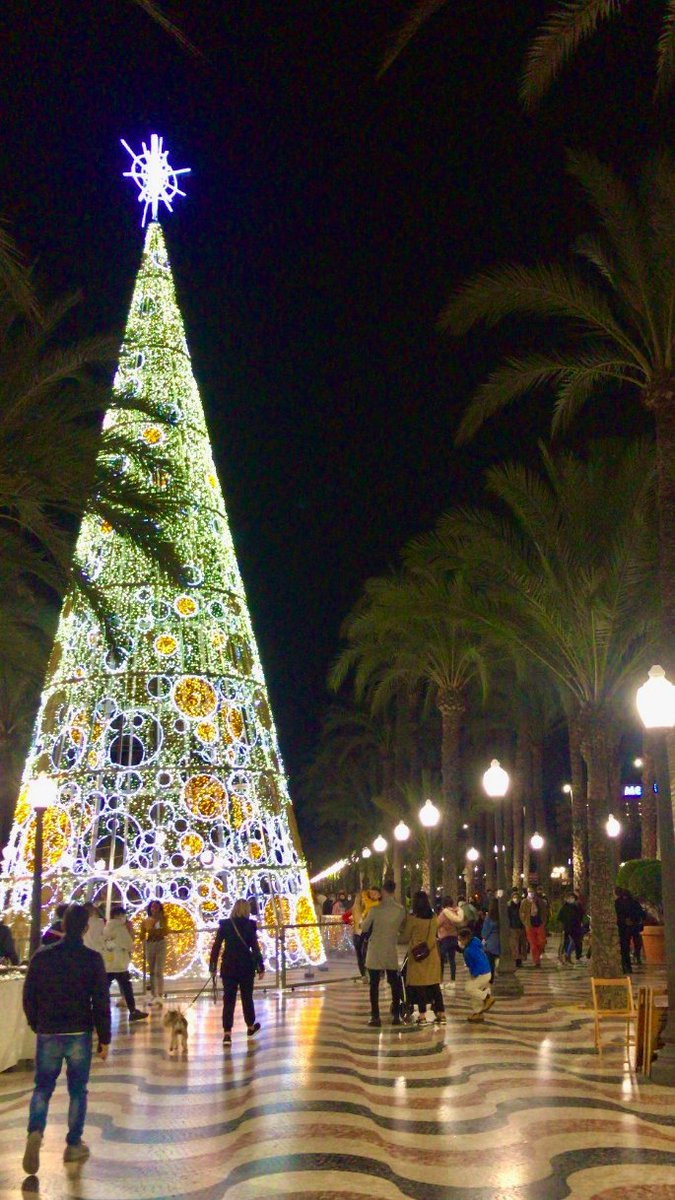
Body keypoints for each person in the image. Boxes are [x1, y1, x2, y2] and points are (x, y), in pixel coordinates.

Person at [21, 904, 111, 1174]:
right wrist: (104, 1036)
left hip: (49, 1030)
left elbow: (29, 993)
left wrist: (36, 1022)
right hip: (78, 1031)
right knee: (77, 1090)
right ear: (85, 928)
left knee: (42, 1088)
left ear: (62, 925)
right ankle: (73, 1143)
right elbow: (101, 1001)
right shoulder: (92, 959)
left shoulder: (42, 956)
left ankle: (35, 1132)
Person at [209, 899, 265, 1044]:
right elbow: (255, 947)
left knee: (229, 1000)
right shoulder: (250, 926)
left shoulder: (225, 925)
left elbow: (216, 946)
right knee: (247, 998)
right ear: (246, 909)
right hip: (246, 967)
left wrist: (213, 966)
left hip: (229, 967)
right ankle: (250, 1026)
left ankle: (227, 1033)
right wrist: (260, 967)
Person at [361, 878, 406, 1027]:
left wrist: (361, 920)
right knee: (394, 984)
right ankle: (396, 1015)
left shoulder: (375, 910)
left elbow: (365, 927)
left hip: (375, 950)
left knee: (374, 984)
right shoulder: (400, 910)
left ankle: (375, 1016)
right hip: (391, 950)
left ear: (384, 892)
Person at [403, 891, 445, 1024]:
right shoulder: (433, 917)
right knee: (434, 985)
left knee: (420, 985)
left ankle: (422, 1016)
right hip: (432, 955)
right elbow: (434, 936)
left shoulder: (412, 919)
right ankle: (441, 1013)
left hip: (417, 955)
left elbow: (405, 936)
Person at [102, 905, 148, 1022]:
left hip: (109, 963)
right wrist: (130, 931)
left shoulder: (106, 926)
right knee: (126, 987)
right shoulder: (120, 927)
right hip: (119, 964)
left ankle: (98, 1010)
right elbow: (128, 944)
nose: (124, 917)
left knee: (104, 987)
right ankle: (132, 1011)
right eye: (122, 915)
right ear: (117, 915)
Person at [457, 925, 494, 1022]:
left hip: (481, 973)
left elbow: (472, 964)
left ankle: (487, 997)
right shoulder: (476, 941)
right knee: (474, 992)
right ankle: (478, 1013)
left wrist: (474, 974)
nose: (460, 942)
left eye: (460, 940)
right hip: (487, 971)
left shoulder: (467, 951)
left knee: (469, 988)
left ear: (465, 939)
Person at [351, 887, 381, 979]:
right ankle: (364, 974)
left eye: (375, 894)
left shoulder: (377, 905)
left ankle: (367, 974)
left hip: (368, 933)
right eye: (371, 893)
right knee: (362, 954)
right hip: (360, 932)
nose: (373, 895)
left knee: (366, 954)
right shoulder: (361, 905)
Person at [143, 900, 168, 1005]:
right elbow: (143, 933)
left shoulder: (163, 919)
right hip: (150, 944)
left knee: (159, 970)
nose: (154, 909)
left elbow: (164, 931)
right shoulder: (147, 920)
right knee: (152, 971)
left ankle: (160, 994)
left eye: (156, 907)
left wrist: (152, 929)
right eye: (152, 907)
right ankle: (154, 995)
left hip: (160, 943)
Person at [437, 896, 463, 982]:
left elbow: (437, 924)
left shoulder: (443, 913)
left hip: (445, 939)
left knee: (441, 959)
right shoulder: (456, 912)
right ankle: (453, 980)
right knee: (452, 960)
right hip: (454, 937)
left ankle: (440, 980)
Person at [520, 888, 546, 967]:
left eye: (532, 891)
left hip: (539, 924)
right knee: (533, 944)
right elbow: (521, 913)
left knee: (541, 942)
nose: (531, 893)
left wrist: (544, 921)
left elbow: (544, 911)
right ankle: (536, 961)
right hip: (530, 925)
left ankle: (539, 952)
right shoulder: (524, 902)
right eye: (529, 892)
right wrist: (525, 922)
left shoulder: (540, 901)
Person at [557, 892, 585, 962]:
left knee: (575, 942)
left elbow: (580, 915)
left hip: (575, 927)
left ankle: (568, 955)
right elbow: (560, 917)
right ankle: (565, 955)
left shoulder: (576, 906)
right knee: (568, 942)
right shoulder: (565, 907)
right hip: (568, 927)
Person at [481, 898, 500, 982]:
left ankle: (490, 978)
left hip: (491, 942)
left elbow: (485, 931)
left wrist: (484, 938)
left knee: (490, 962)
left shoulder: (489, 917)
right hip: (500, 941)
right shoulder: (502, 915)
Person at [507, 889, 526, 967]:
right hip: (513, 928)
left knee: (521, 945)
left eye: (517, 897)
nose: (516, 899)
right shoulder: (509, 906)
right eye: (514, 897)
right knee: (515, 945)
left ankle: (519, 960)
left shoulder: (521, 906)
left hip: (521, 927)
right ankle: (515, 959)